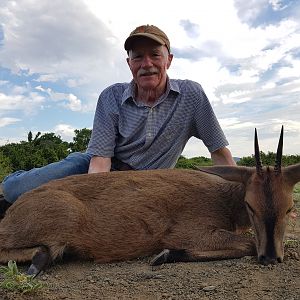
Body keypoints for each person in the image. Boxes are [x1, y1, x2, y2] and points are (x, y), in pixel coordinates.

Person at [0, 24, 236, 217]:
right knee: (14, 190)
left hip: (148, 184)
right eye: (138, 57)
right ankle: (12, 185)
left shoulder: (192, 96)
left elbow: (218, 151)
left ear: (169, 60)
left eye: (155, 55)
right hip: (97, 171)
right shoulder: (111, 96)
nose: (147, 64)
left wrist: (239, 193)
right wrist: (97, 202)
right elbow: (101, 161)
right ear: (129, 63)